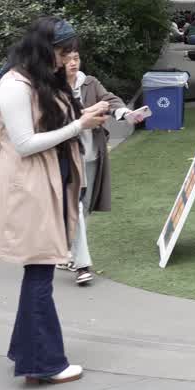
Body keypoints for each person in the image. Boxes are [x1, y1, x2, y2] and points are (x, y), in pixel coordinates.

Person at [0, 17, 108, 385]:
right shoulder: (14, 85)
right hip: (29, 186)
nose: (67, 58)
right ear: (43, 49)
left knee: (38, 272)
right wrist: (79, 126)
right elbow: (24, 144)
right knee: (40, 272)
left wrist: (81, 115)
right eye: (62, 51)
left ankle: (27, 352)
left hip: (45, 181)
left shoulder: (36, 79)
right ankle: (43, 363)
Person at [64, 52, 140, 286]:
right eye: (68, 59)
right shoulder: (53, 88)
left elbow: (111, 99)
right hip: (68, 156)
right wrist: (94, 108)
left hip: (92, 154)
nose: (74, 63)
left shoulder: (90, 82)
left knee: (84, 207)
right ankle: (82, 264)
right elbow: (60, 118)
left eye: (77, 57)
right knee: (75, 206)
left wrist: (126, 113)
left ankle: (68, 250)